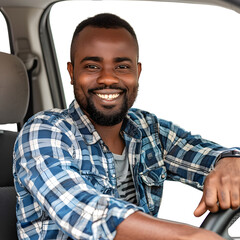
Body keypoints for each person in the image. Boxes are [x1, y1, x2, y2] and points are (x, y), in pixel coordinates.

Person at [13, 13, 240, 240]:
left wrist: (229, 160)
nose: (108, 79)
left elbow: (203, 154)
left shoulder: (148, 129)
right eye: (92, 66)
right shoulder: (43, 132)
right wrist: (189, 236)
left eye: (121, 66)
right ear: (72, 73)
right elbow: (84, 212)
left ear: (137, 72)